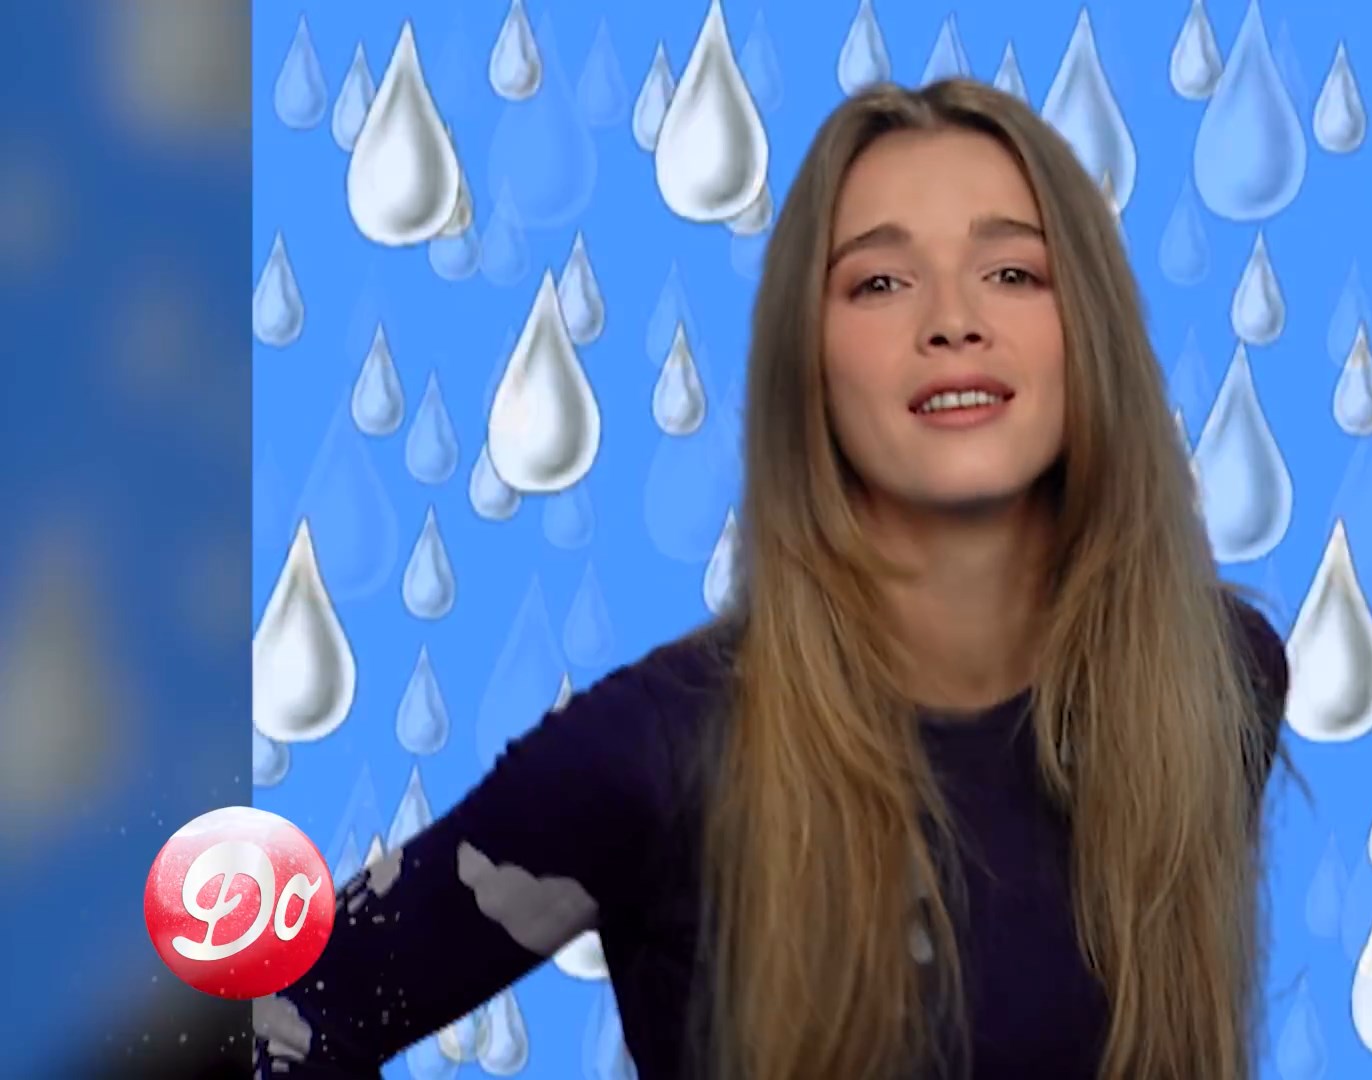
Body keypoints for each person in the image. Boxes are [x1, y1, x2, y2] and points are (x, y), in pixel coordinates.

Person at [255, 77, 1295, 1080]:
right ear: (808, 364)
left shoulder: (1219, 678)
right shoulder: (654, 752)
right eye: (880, 282)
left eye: (1014, 272)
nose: (953, 319)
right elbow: (283, 1017)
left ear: (1092, 333)